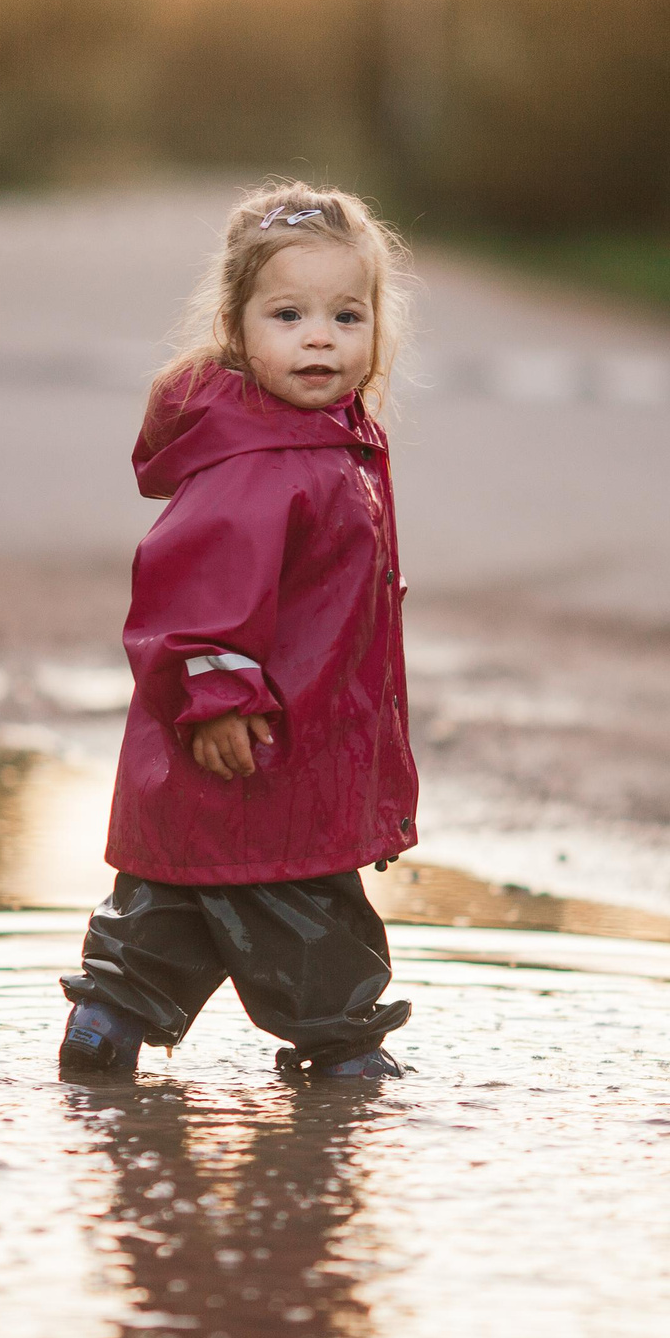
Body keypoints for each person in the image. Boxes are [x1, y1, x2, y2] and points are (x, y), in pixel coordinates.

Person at [58, 179, 418, 1081]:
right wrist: (216, 694)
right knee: (309, 915)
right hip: (257, 749)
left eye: (347, 315)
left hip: (271, 744)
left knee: (177, 900)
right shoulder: (260, 459)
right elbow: (191, 586)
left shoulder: (325, 439)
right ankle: (344, 1053)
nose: (320, 338)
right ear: (235, 326)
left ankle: (106, 1025)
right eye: (288, 315)